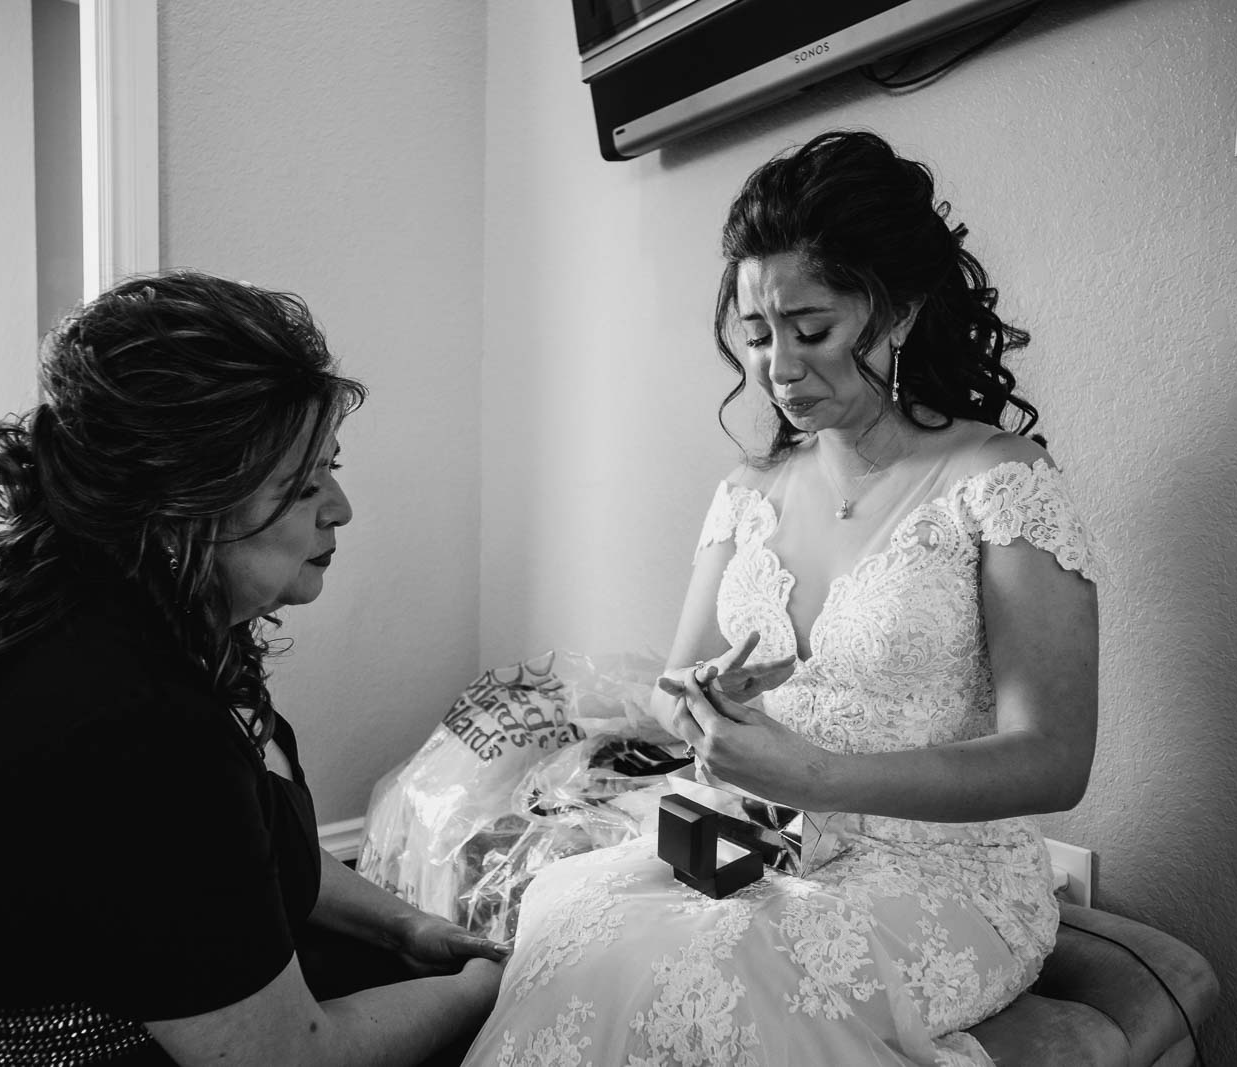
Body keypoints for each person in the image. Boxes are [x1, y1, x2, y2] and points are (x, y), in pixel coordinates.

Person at [459, 130, 1102, 1066]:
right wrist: (710, 699)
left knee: (709, 974)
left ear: (900, 311)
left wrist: (818, 777)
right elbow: (675, 692)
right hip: (764, 837)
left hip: (941, 871)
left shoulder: (999, 482)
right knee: (568, 918)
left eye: (812, 330)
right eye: (757, 337)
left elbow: (1054, 760)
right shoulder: (748, 493)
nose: (778, 370)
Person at [0, 272, 507, 1067]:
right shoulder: (130, 718)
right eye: (302, 485)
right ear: (184, 507)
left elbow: (237, 851)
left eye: (332, 465)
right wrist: (484, 988)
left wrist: (404, 924)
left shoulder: (139, 613)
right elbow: (285, 1057)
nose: (340, 507)